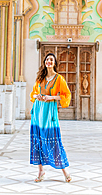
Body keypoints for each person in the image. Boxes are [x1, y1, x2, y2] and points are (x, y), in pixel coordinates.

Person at [30, 52, 72, 183]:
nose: (49, 61)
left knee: (54, 141)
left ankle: (65, 171)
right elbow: (33, 94)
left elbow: (66, 95)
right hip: (38, 111)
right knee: (38, 140)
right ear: (44, 62)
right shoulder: (40, 78)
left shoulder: (59, 78)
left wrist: (51, 97)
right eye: (47, 59)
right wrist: (38, 97)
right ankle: (40, 171)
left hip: (49, 112)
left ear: (54, 63)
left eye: (51, 60)